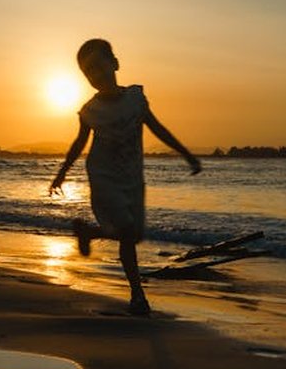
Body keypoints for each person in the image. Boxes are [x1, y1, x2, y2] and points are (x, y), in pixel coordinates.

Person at [50, 39, 201, 315]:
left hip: (132, 177)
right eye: (89, 72)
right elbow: (78, 144)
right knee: (127, 232)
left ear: (115, 64)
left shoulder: (135, 99)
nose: (96, 74)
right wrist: (61, 174)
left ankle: (90, 232)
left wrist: (186, 154)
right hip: (104, 175)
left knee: (133, 236)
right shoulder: (90, 111)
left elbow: (158, 129)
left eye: (99, 66)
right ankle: (138, 296)